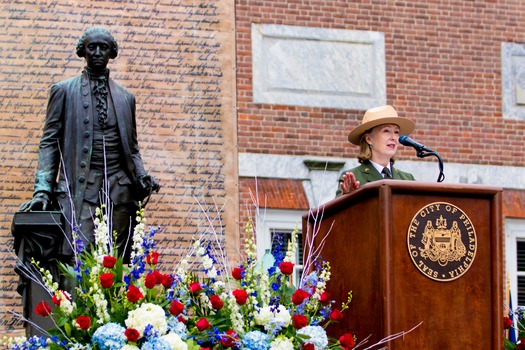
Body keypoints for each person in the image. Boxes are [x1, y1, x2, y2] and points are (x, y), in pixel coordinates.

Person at [22, 26, 159, 262]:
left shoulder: (126, 98)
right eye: (91, 47)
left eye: (103, 47)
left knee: (116, 259)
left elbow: (132, 148)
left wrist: (141, 176)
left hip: (119, 189)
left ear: (111, 53)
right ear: (82, 51)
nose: (97, 52)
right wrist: (43, 189)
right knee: (79, 255)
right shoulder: (63, 91)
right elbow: (49, 142)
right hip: (80, 187)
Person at [337, 105, 415, 196]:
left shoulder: (407, 179)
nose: (393, 137)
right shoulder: (353, 177)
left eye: (396, 132)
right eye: (386, 131)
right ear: (369, 139)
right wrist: (347, 197)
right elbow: (337, 209)